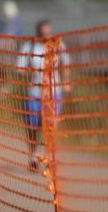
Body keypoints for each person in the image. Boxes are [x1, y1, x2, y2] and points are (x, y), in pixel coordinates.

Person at [17, 20, 71, 172]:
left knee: (51, 127)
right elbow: (20, 69)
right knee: (33, 127)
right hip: (33, 94)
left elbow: (65, 65)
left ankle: (50, 158)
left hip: (53, 94)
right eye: (43, 33)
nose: (46, 36)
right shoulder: (29, 47)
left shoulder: (58, 46)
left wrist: (66, 81)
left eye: (48, 33)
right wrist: (28, 74)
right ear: (38, 33)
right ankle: (34, 157)